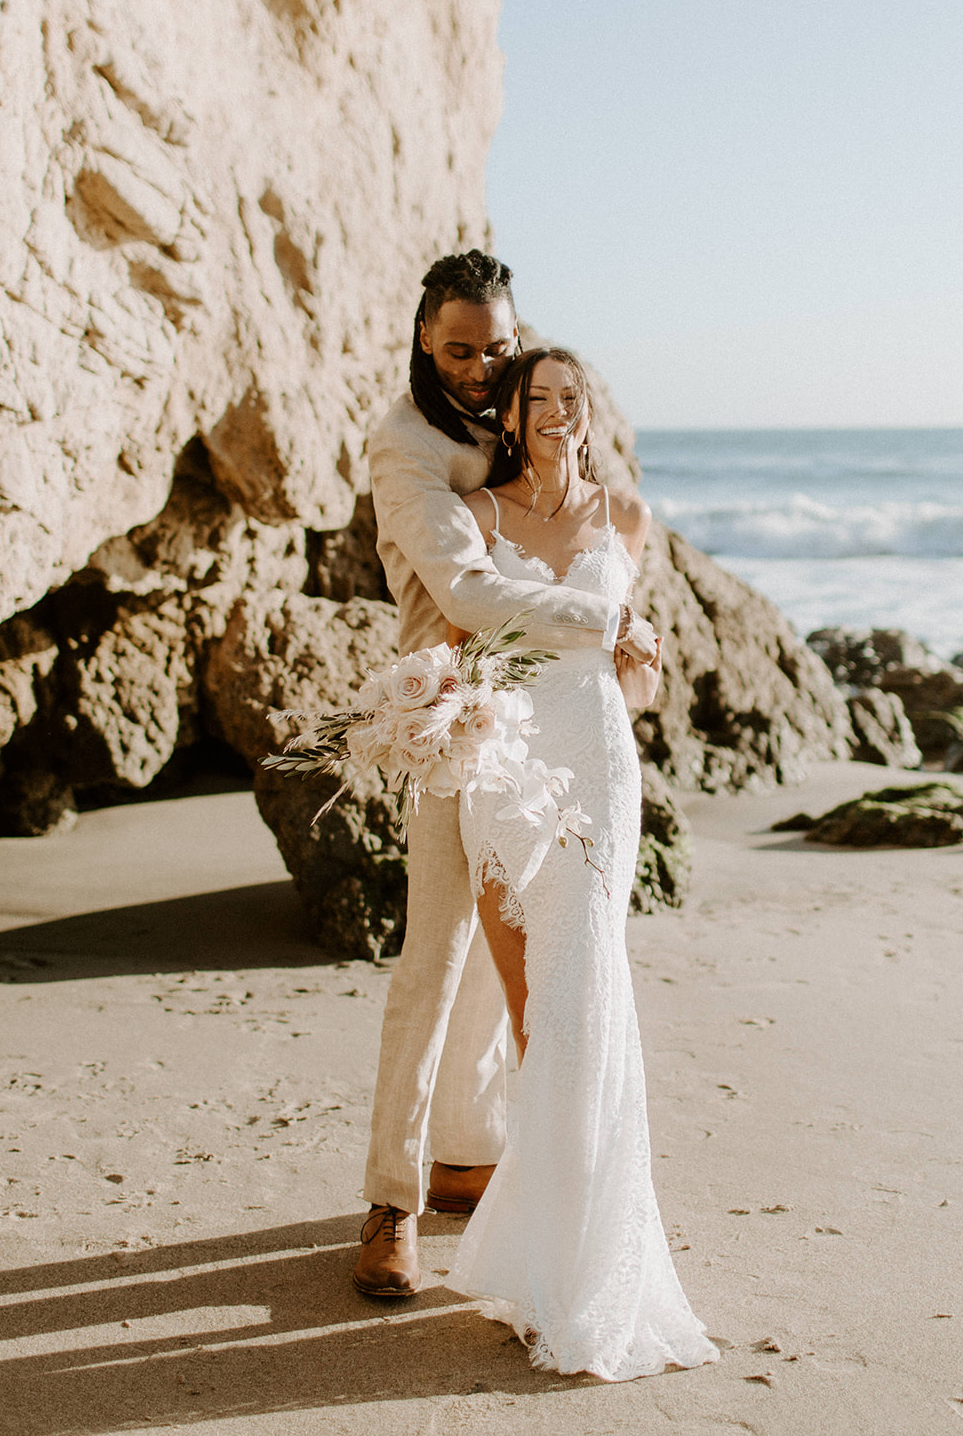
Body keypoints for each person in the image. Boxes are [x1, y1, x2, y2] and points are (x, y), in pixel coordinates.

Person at [357, 254, 658, 1298]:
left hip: (555, 724)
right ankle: (389, 1202)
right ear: (422, 341)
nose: (483, 367)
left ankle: (463, 1154)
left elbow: (573, 500)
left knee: (510, 951)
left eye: (497, 344)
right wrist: (605, 621)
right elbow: (469, 592)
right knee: (438, 952)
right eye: (460, 350)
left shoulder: (512, 405)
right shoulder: (404, 444)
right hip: (454, 716)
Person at [446, 346, 719, 1381]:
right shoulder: (478, 516)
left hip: (599, 763)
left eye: (573, 397)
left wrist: (639, 665)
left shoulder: (627, 519)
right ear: (510, 415)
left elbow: (633, 670)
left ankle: (585, 1267)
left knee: (584, 998)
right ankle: (537, 1253)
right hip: (508, 768)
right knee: (529, 1013)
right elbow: (476, 627)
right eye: (538, 398)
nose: (559, 412)